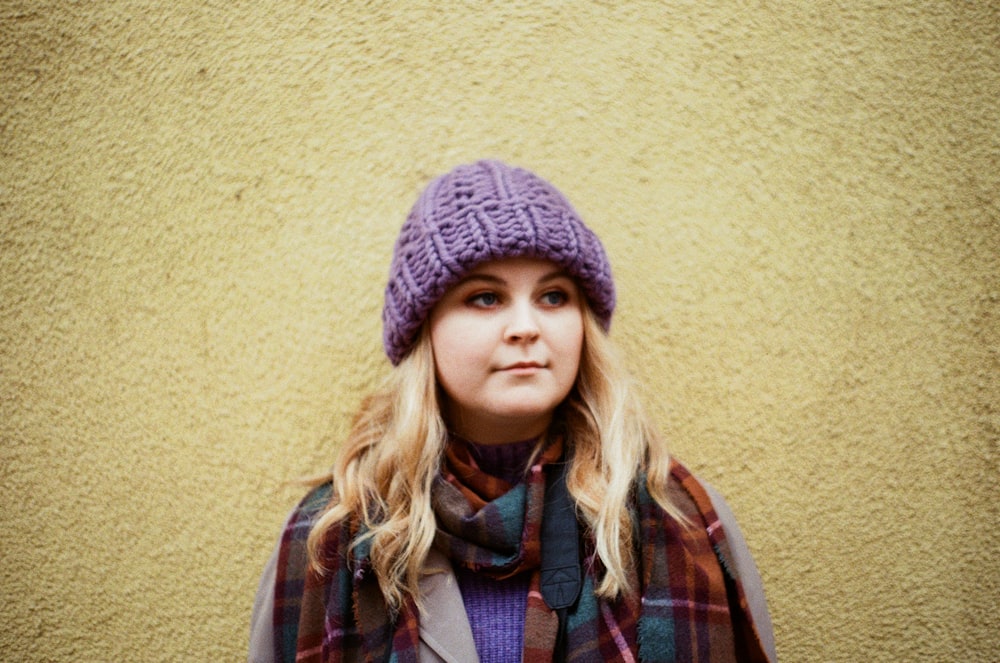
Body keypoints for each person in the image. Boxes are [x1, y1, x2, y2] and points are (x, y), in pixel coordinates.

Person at [249, 160, 777, 662]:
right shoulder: (327, 539)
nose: (526, 326)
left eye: (553, 296)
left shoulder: (678, 519)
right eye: (485, 297)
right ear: (423, 331)